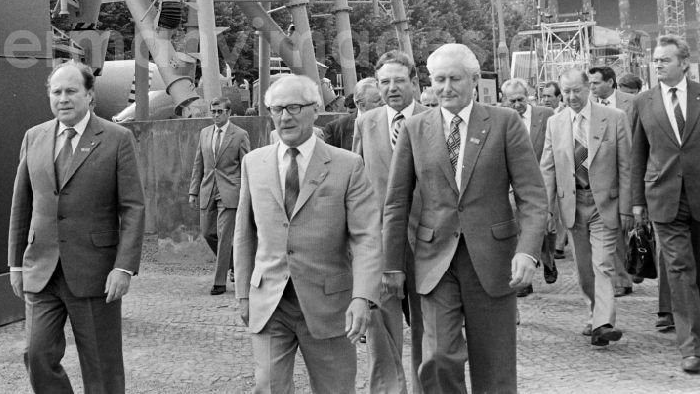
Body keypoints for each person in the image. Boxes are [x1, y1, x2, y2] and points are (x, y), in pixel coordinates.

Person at [382, 43, 547, 394]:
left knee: (494, 363)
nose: (445, 88)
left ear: (474, 80)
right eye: (438, 79)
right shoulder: (414, 129)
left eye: (454, 79)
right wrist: (392, 264)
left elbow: (532, 195)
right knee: (439, 356)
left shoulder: (505, 123)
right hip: (433, 260)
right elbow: (396, 202)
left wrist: (527, 251)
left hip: (492, 258)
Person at [234, 74, 380, 393]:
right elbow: (244, 235)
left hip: (329, 304)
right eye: (277, 108)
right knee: (268, 386)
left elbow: (367, 236)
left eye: (295, 107)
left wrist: (363, 296)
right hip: (270, 301)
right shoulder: (253, 163)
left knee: (335, 389)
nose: (285, 116)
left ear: (315, 109)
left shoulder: (347, 166)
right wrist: (243, 294)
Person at [7, 61, 146, 393]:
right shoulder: (34, 137)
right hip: (42, 270)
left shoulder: (116, 139)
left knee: (101, 365)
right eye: (57, 92)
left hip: (94, 272)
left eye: (71, 91)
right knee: (37, 354)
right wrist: (15, 263)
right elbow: (21, 203)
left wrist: (123, 268)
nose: (63, 99)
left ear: (90, 95)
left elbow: (133, 208)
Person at [541, 69, 632, 346]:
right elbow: (547, 169)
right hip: (572, 204)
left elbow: (627, 166)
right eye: (566, 92)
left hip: (604, 203)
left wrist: (628, 207)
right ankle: (594, 313)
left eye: (576, 91)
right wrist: (545, 210)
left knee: (602, 263)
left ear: (587, 88)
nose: (571, 97)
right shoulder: (555, 123)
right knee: (583, 269)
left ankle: (604, 323)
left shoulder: (614, 118)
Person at [352, 51, 424, 394]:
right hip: (378, 238)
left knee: (430, 329)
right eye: (384, 82)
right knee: (380, 324)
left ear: (414, 82)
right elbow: (357, 181)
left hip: (428, 239)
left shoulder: (435, 118)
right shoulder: (366, 123)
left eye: (399, 80)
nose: (392, 88)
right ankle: (388, 389)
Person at [630, 35, 700, 374]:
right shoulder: (644, 102)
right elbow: (637, 154)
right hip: (664, 199)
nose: (658, 65)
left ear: (683, 63)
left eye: (665, 60)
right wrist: (636, 202)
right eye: (655, 60)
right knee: (680, 270)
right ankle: (692, 348)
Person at [189, 97, 251, 295]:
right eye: (213, 111)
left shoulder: (240, 135)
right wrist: (193, 191)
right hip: (208, 189)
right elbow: (198, 163)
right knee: (208, 232)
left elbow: (246, 166)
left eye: (219, 111)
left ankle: (219, 282)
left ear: (228, 112)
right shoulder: (204, 133)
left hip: (231, 191)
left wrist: (247, 193)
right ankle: (234, 265)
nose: (216, 115)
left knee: (225, 236)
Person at [500, 77, 557, 293]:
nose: (517, 105)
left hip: (542, 182)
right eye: (511, 101)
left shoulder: (546, 115)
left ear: (528, 95)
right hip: (514, 185)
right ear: (504, 100)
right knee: (520, 228)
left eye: (520, 99)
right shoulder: (503, 119)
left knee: (546, 228)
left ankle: (548, 259)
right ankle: (524, 279)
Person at [588, 65, 637, 296]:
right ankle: (621, 279)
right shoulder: (589, 106)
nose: (592, 87)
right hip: (604, 180)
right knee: (612, 232)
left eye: (596, 83)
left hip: (631, 170)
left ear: (610, 81)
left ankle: (635, 265)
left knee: (631, 227)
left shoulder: (631, 102)